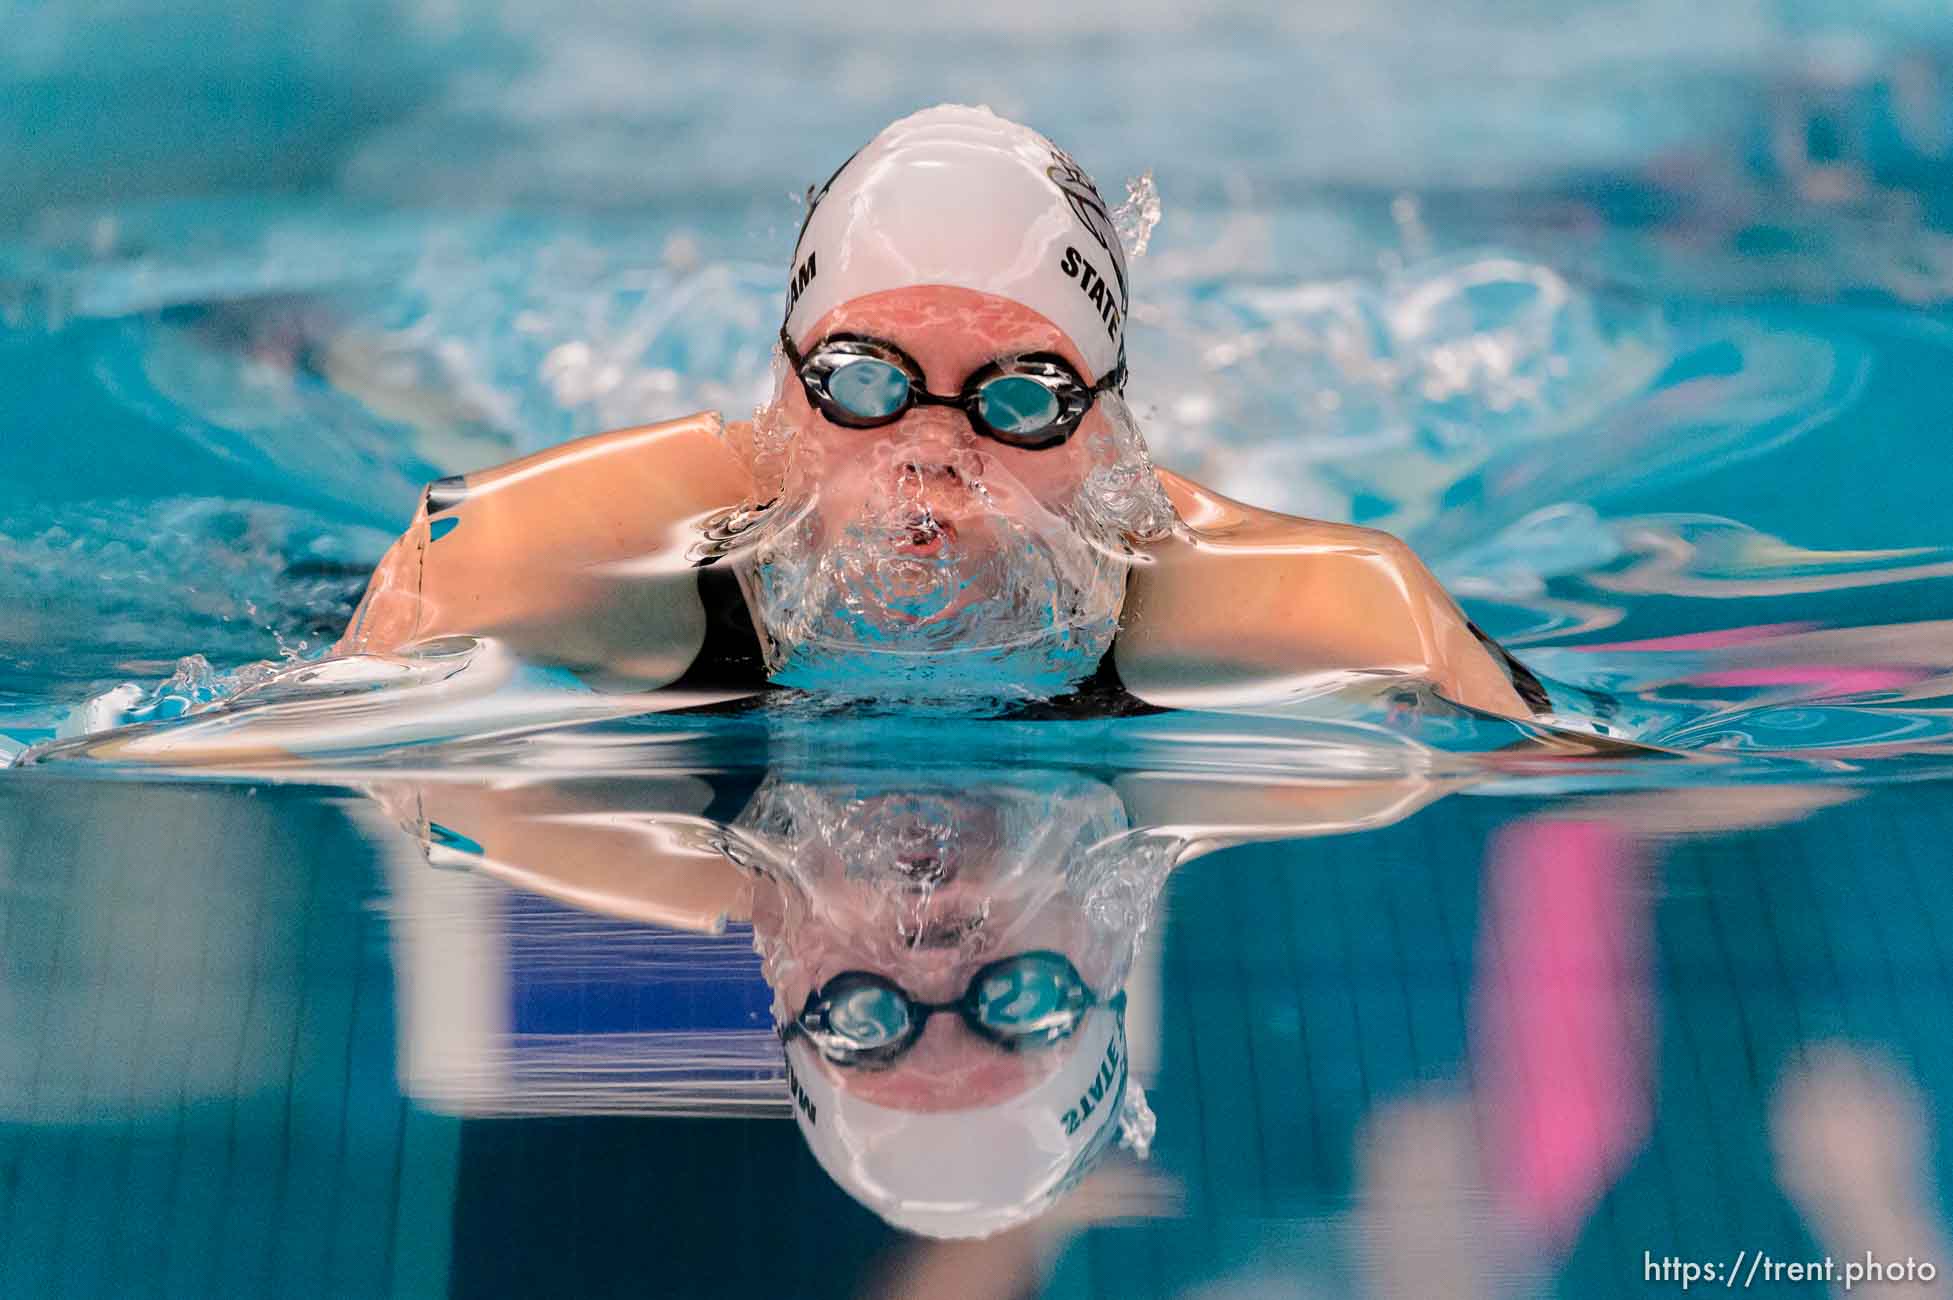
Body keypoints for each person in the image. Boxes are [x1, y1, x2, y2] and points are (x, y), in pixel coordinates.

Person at [334, 105, 1543, 719]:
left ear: (1110, 434)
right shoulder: (518, 563)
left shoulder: (1330, 609)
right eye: (866, 381)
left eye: (1022, 400)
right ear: (783, 397)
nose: (933, 452)